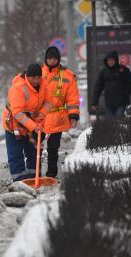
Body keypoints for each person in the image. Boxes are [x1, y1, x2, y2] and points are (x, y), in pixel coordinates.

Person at [3, 64, 49, 182]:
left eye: (38, 77)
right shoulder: (18, 88)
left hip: (31, 124)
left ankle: (34, 178)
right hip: (14, 126)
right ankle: (19, 181)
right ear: (27, 76)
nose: (36, 80)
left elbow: (49, 102)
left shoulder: (44, 84)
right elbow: (17, 113)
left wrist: (41, 114)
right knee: (16, 154)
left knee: (33, 152)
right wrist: (33, 126)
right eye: (33, 78)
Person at [42, 46, 80, 178]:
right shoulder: (39, 73)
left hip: (57, 116)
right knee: (35, 146)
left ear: (58, 59)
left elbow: (72, 98)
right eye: (49, 58)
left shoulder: (67, 76)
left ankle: (51, 174)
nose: (51, 61)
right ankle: (32, 172)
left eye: (54, 58)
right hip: (39, 117)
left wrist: (73, 114)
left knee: (53, 147)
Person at [91, 50, 131, 117]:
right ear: (106, 61)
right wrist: (94, 103)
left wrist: (125, 94)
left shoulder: (123, 70)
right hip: (109, 103)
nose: (110, 62)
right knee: (111, 122)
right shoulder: (104, 72)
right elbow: (98, 87)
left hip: (122, 103)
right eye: (109, 60)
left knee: (119, 119)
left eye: (112, 60)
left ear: (116, 60)